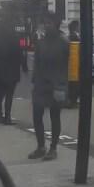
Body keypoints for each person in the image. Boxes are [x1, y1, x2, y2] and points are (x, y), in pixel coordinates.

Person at [29, 12, 70, 161]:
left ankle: (53, 148)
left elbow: (69, 65)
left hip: (57, 85)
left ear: (56, 24)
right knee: (36, 115)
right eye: (45, 23)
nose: (46, 26)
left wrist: (66, 84)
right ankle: (41, 146)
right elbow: (37, 63)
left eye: (49, 23)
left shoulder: (64, 43)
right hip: (41, 84)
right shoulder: (41, 42)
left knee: (55, 116)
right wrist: (35, 80)